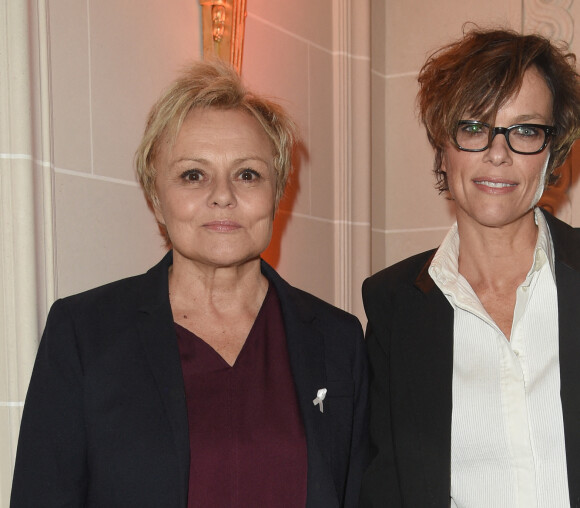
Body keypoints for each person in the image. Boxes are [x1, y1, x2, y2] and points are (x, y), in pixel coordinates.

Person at [11, 61, 369, 508]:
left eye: (248, 174)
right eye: (193, 175)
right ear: (156, 199)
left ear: (276, 195)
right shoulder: (84, 334)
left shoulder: (338, 339)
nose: (223, 195)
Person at [359, 28, 580, 507]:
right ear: (443, 146)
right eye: (474, 127)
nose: (498, 154)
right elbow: (386, 490)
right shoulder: (393, 306)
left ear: (552, 150)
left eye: (525, 130)